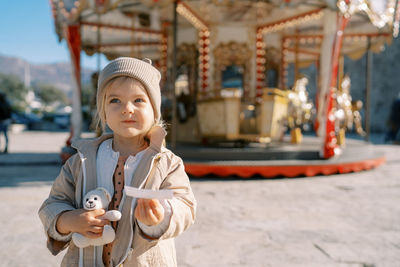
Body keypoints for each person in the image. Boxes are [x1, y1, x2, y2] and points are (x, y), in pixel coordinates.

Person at [39, 57, 197, 267]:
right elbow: (53, 203)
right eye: (115, 100)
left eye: (139, 100)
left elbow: (185, 205)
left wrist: (161, 216)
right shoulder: (80, 161)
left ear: (155, 110)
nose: (127, 109)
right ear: (103, 110)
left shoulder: (167, 163)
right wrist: (67, 220)